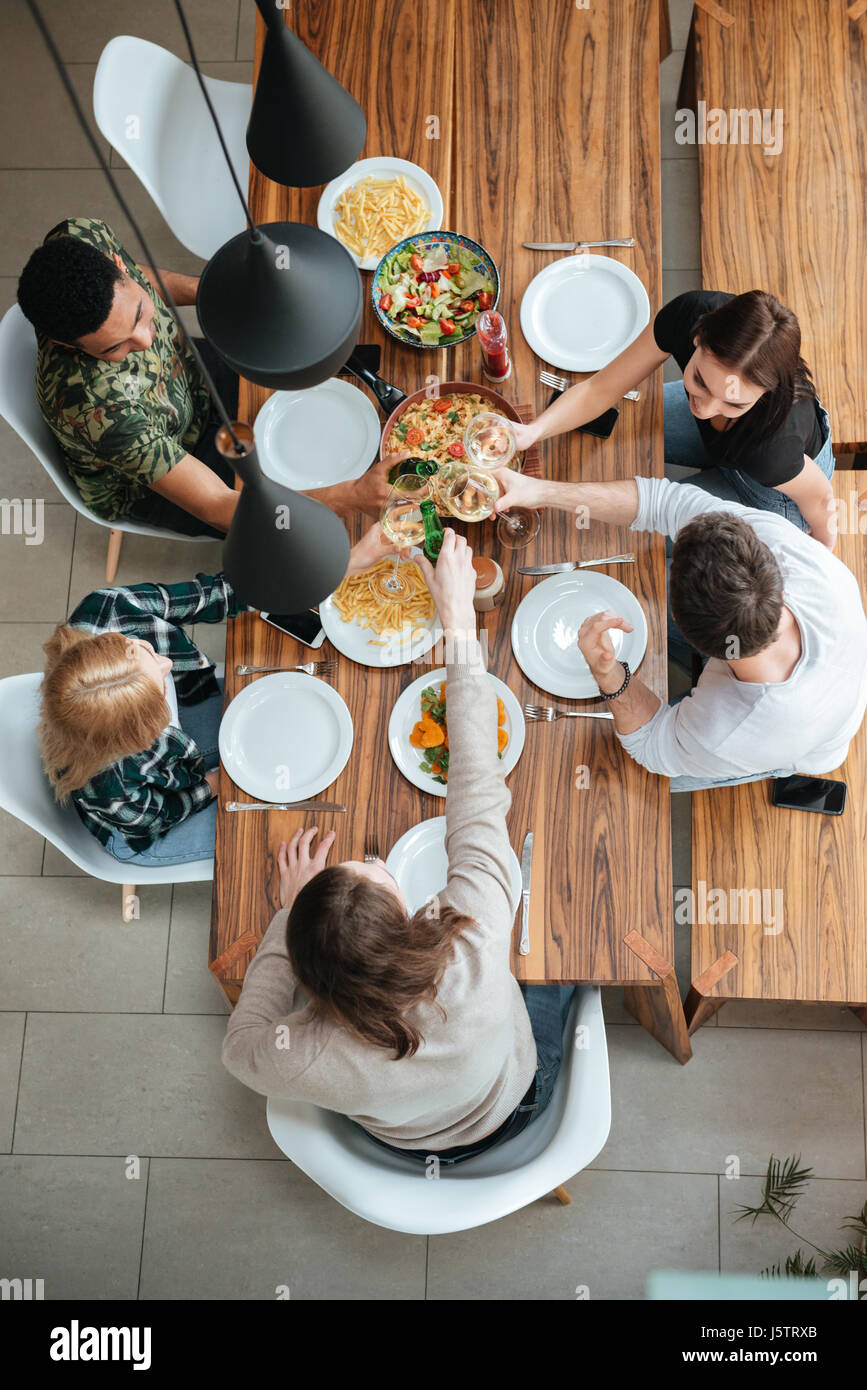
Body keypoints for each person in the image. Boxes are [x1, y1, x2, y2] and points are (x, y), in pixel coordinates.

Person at [222, 530, 574, 1161]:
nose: (379, 859)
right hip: (509, 1105)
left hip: (402, 1138)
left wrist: (288, 918)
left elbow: (239, 1044)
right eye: (380, 874)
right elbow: (477, 790)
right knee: (570, 955)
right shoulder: (472, 943)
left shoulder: (299, 1055)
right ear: (406, 925)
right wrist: (460, 629)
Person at [38, 524, 398, 866]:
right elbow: (157, 816)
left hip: (179, 745)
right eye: (160, 688)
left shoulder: (107, 611)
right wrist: (216, 783)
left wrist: (338, 566)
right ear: (144, 734)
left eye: (144, 650)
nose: (167, 664)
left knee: (294, 729)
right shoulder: (109, 784)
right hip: (153, 826)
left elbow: (216, 595)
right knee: (280, 835)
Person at [493, 469, 867, 794]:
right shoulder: (775, 544)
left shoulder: (727, 732)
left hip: (804, 745)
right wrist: (539, 490)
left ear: (682, 629)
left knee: (641, 777)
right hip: (828, 666)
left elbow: (650, 745)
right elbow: (664, 501)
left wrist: (609, 673)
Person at [17, 217, 398, 536]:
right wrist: (351, 497)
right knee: (305, 525)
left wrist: (213, 294)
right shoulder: (98, 413)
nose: (146, 339)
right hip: (165, 470)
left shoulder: (80, 237)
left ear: (114, 263)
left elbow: (140, 275)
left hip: (191, 373)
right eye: (114, 348)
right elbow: (217, 504)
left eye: (138, 315)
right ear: (66, 345)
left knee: (315, 365)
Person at [511, 289, 836, 547]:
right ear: (697, 337)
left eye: (734, 403)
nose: (706, 411)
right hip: (743, 452)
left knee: (657, 541)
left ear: (767, 392)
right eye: (700, 382)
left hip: (777, 494)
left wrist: (820, 549)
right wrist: (533, 431)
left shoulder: (773, 449)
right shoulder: (690, 312)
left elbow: (821, 500)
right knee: (623, 419)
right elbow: (599, 389)